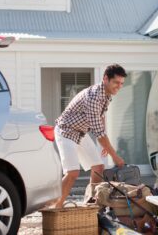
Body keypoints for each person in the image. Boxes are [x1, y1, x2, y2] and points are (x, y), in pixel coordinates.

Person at [53, 64, 127, 207]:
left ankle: (90, 204)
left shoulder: (106, 94)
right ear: (106, 78)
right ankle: (55, 208)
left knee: (98, 168)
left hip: (81, 133)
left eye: (121, 84)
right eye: (116, 82)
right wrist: (115, 156)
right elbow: (99, 132)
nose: (119, 86)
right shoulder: (94, 97)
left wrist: (105, 144)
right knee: (72, 173)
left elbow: (101, 118)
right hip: (66, 131)